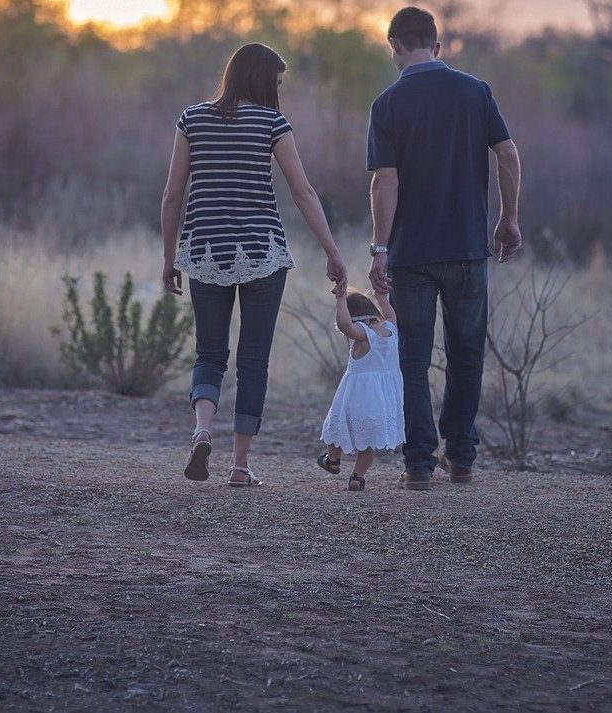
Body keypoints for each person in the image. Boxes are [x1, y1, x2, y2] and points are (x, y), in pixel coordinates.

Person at [160, 42, 347, 488]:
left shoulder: (192, 119)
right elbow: (303, 193)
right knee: (254, 361)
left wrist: (170, 258)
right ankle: (240, 466)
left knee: (209, 353)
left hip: (204, 252)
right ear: (263, 80)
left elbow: (171, 195)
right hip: (263, 252)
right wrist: (332, 251)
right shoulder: (272, 123)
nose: (279, 91)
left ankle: (202, 430)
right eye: (277, 82)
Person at [366, 7, 523, 491]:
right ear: (437, 46)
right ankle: (461, 456)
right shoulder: (476, 92)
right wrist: (508, 218)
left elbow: (384, 182)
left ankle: (418, 464)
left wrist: (379, 247)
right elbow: (508, 154)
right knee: (467, 353)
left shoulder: (387, 103)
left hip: (411, 255)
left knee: (412, 357)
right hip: (468, 248)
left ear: (393, 45)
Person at [317, 288, 404, 491]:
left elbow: (345, 325)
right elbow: (390, 314)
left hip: (356, 396)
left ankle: (333, 460)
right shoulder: (391, 329)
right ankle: (357, 477)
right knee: (368, 440)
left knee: (337, 426)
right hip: (382, 399)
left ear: (355, 319)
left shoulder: (363, 335)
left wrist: (340, 300)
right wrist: (382, 297)